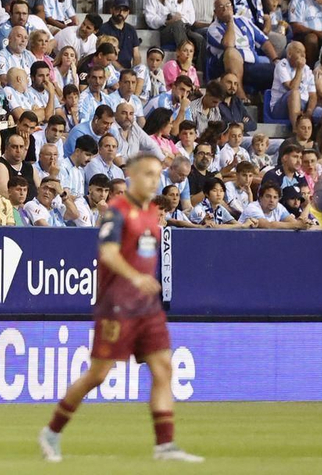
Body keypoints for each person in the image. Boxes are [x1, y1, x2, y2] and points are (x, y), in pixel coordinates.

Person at [39, 152, 200, 463]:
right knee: (99, 374)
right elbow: (108, 254)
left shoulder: (153, 213)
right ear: (132, 176)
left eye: (157, 175)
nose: (154, 180)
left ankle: (165, 445)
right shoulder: (118, 212)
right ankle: (53, 431)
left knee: (163, 369)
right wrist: (137, 278)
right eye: (147, 174)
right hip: (117, 305)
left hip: (147, 307)